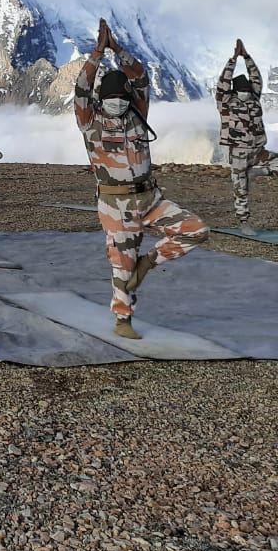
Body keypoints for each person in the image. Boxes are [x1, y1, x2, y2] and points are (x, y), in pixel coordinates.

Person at [75, 18, 208, 340]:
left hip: (151, 199)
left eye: (123, 97)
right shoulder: (89, 120)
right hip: (115, 205)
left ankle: (148, 262)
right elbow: (81, 87)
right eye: (112, 97)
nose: (118, 101)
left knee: (196, 230)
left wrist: (117, 49)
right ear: (101, 99)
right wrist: (96, 53)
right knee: (122, 263)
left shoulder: (137, 114)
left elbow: (140, 76)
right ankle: (123, 319)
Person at [215, 38, 277, 236]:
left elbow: (256, 77)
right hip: (239, 153)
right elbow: (223, 82)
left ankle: (257, 172)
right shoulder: (225, 101)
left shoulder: (254, 97)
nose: (245, 93)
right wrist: (233, 60)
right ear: (234, 91)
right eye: (241, 91)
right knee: (241, 189)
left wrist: (247, 57)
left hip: (260, 152)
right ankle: (244, 222)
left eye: (247, 90)